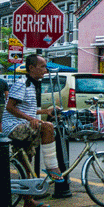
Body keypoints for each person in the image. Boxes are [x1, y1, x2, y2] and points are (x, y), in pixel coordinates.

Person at [2, 55, 64, 207]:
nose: (45, 69)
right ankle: (52, 168)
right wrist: (32, 120)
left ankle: (28, 202)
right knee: (48, 127)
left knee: (25, 166)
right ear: (31, 68)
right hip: (14, 126)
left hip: (23, 124)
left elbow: (27, 109)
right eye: (42, 66)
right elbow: (10, 107)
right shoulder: (22, 83)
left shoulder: (34, 84)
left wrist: (45, 111)